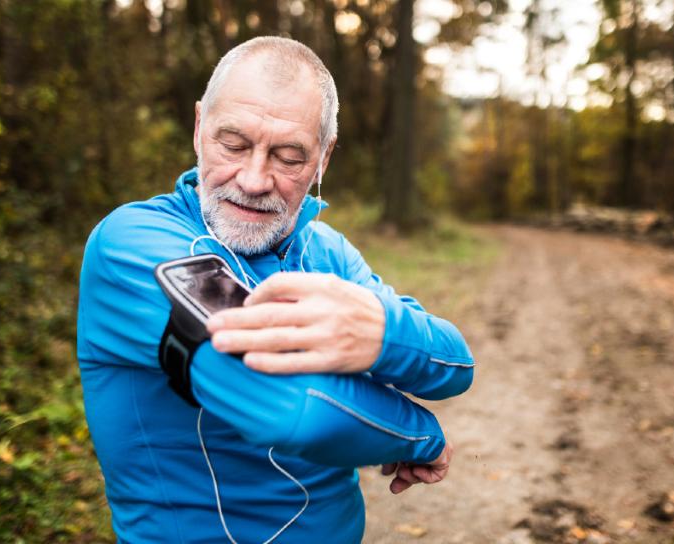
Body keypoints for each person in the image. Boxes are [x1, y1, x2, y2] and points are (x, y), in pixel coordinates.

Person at [76, 36, 474, 543]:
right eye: (233, 144)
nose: (254, 178)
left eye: (288, 157)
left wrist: (379, 333)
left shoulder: (325, 249)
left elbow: (455, 365)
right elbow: (294, 408)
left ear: (323, 158)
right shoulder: (136, 244)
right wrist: (423, 437)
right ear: (199, 127)